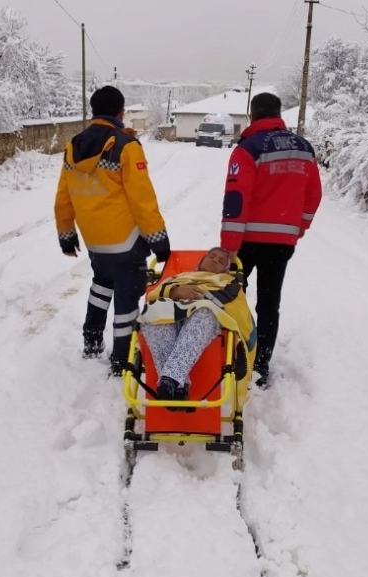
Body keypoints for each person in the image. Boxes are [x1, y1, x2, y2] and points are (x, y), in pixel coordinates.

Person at [54, 85, 170, 375]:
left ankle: (92, 341)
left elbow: (63, 195)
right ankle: (123, 360)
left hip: (95, 241)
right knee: (127, 302)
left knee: (101, 285)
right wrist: (159, 240)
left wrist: (67, 235)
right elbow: (142, 199)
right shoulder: (126, 146)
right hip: (126, 242)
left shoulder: (74, 145)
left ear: (94, 111)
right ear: (120, 112)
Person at [220, 92, 322, 387]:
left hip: (247, 240)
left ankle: (231, 355)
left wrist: (229, 247)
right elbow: (313, 196)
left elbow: (236, 199)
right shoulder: (304, 148)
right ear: (279, 115)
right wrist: (298, 228)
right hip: (282, 244)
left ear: (252, 116)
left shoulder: (248, 148)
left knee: (229, 297)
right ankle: (261, 366)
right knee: (269, 302)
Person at [138, 247, 256, 406]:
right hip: (171, 315)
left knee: (205, 312)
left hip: (204, 319)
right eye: (212, 256)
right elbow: (153, 296)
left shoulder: (227, 282)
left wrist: (198, 297)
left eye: (221, 261)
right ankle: (178, 385)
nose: (215, 260)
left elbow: (238, 310)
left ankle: (170, 379)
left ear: (225, 270)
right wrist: (174, 292)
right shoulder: (178, 278)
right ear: (201, 262)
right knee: (152, 313)